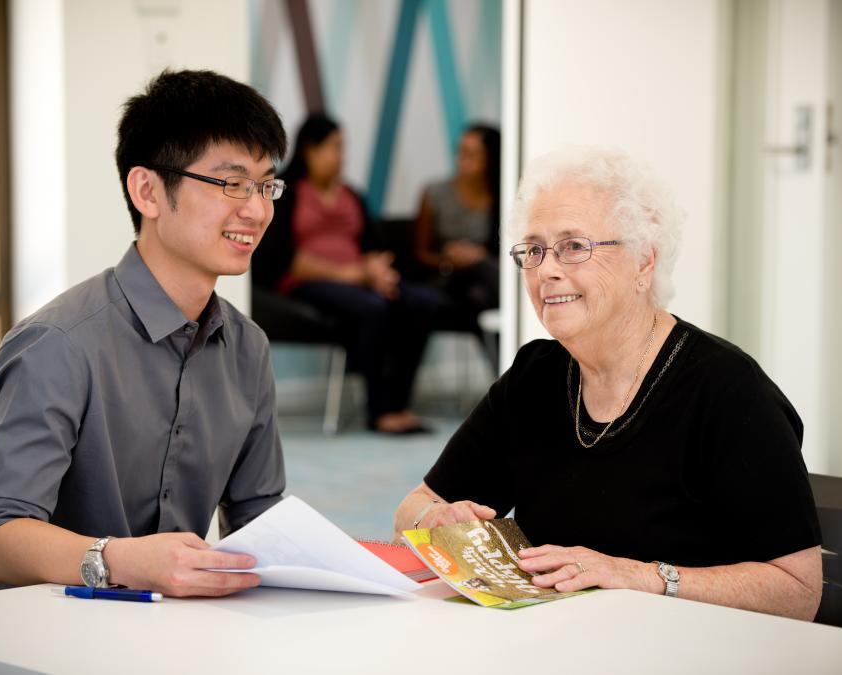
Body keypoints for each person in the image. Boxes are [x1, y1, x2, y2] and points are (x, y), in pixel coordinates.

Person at [394, 147, 823, 620]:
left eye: (574, 246)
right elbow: (413, 509)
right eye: (533, 249)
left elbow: (798, 591)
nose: (546, 270)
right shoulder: (535, 376)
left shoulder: (727, 390)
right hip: (559, 642)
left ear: (643, 262)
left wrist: (639, 576)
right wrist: (433, 520)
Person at [0, 70, 288, 598]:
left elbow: (260, 519)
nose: (255, 209)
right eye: (231, 183)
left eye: (265, 184)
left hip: (176, 631)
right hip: (47, 634)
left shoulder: (247, 347)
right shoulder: (59, 343)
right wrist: (118, 559)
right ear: (147, 191)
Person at [254, 113, 438, 434]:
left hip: (361, 280)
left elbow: (374, 244)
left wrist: (379, 272)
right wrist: (349, 274)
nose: (342, 156)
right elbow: (282, 257)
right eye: (335, 147)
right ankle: (379, 410)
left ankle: (399, 402)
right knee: (372, 308)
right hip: (307, 283)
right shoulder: (288, 193)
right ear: (311, 149)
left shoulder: (351, 194)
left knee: (422, 302)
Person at [413, 124, 501, 328]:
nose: (463, 160)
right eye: (461, 152)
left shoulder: (502, 196)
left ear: (491, 159)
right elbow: (419, 254)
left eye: (473, 155)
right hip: (447, 276)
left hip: (483, 281)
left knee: (478, 292)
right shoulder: (435, 194)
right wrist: (449, 261)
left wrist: (480, 255)